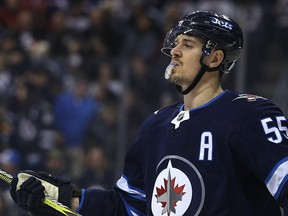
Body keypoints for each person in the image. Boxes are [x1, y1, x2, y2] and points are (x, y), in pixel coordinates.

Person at [9, 10, 288, 216]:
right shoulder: (156, 124)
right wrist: (60, 198)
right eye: (176, 43)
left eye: (188, 45)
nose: (175, 51)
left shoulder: (250, 114)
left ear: (215, 58)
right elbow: (128, 205)